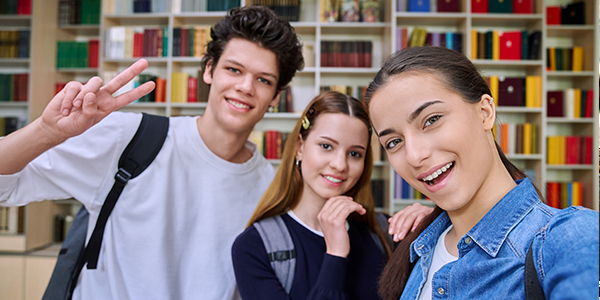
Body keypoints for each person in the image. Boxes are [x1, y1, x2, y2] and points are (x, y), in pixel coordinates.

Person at [0, 6, 304, 300]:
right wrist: (47, 132)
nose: (245, 87)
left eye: (263, 80)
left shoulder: (273, 188)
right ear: (209, 70)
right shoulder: (129, 137)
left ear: (276, 96)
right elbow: (5, 188)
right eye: (233, 69)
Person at [363, 46, 599, 300]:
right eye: (393, 142)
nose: (414, 156)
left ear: (485, 112)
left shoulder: (567, 238)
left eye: (431, 120)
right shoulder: (417, 247)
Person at [231, 91, 434, 299]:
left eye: (355, 153)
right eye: (326, 146)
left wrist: (435, 226)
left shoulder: (383, 233)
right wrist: (335, 254)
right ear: (300, 147)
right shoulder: (254, 247)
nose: (340, 165)